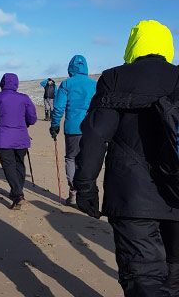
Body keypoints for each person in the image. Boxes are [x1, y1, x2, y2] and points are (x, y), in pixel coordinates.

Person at [74, 20, 179, 296]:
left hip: (132, 196)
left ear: (133, 44)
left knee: (143, 278)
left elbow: (96, 134)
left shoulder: (116, 77)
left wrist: (85, 186)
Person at [49, 55, 97, 207]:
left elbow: (58, 108)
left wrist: (54, 125)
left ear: (70, 68)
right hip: (92, 127)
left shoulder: (67, 84)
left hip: (73, 127)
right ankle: (86, 192)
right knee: (87, 160)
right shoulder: (94, 84)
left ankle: (74, 192)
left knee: (71, 158)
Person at [0, 73, 37, 210]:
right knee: (19, 164)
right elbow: (32, 119)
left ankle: (17, 194)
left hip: (3, 138)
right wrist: (23, 122)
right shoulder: (24, 98)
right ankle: (17, 192)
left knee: (9, 165)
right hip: (21, 137)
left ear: (2, 83)